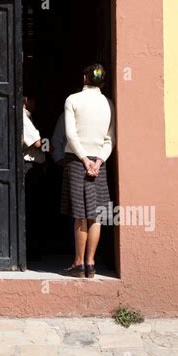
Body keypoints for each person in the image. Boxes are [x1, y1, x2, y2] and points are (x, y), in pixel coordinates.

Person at [60, 64, 115, 279]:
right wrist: (98, 161)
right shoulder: (108, 103)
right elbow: (110, 139)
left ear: (84, 78)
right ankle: (91, 264)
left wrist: (83, 159)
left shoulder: (72, 100)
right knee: (96, 215)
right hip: (99, 162)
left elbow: (70, 135)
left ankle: (78, 263)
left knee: (80, 216)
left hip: (76, 160)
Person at [23, 96, 46, 251]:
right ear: (25, 99)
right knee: (32, 209)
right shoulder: (22, 116)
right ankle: (31, 249)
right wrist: (51, 146)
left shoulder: (28, 116)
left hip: (34, 166)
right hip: (29, 167)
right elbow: (37, 143)